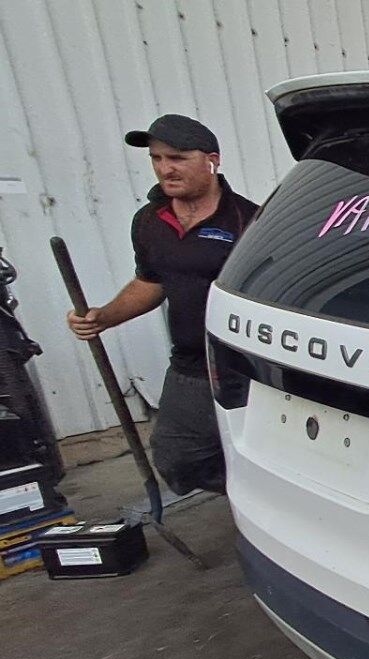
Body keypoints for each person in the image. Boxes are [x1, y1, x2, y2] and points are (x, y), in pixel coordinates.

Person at [66, 114, 258, 495]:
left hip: (245, 366)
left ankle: (262, 505)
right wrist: (103, 317)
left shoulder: (248, 220)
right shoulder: (150, 220)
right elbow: (151, 282)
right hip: (190, 364)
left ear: (212, 161)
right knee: (178, 460)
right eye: (156, 158)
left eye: (177, 158)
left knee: (262, 454)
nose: (165, 169)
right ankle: (241, 494)